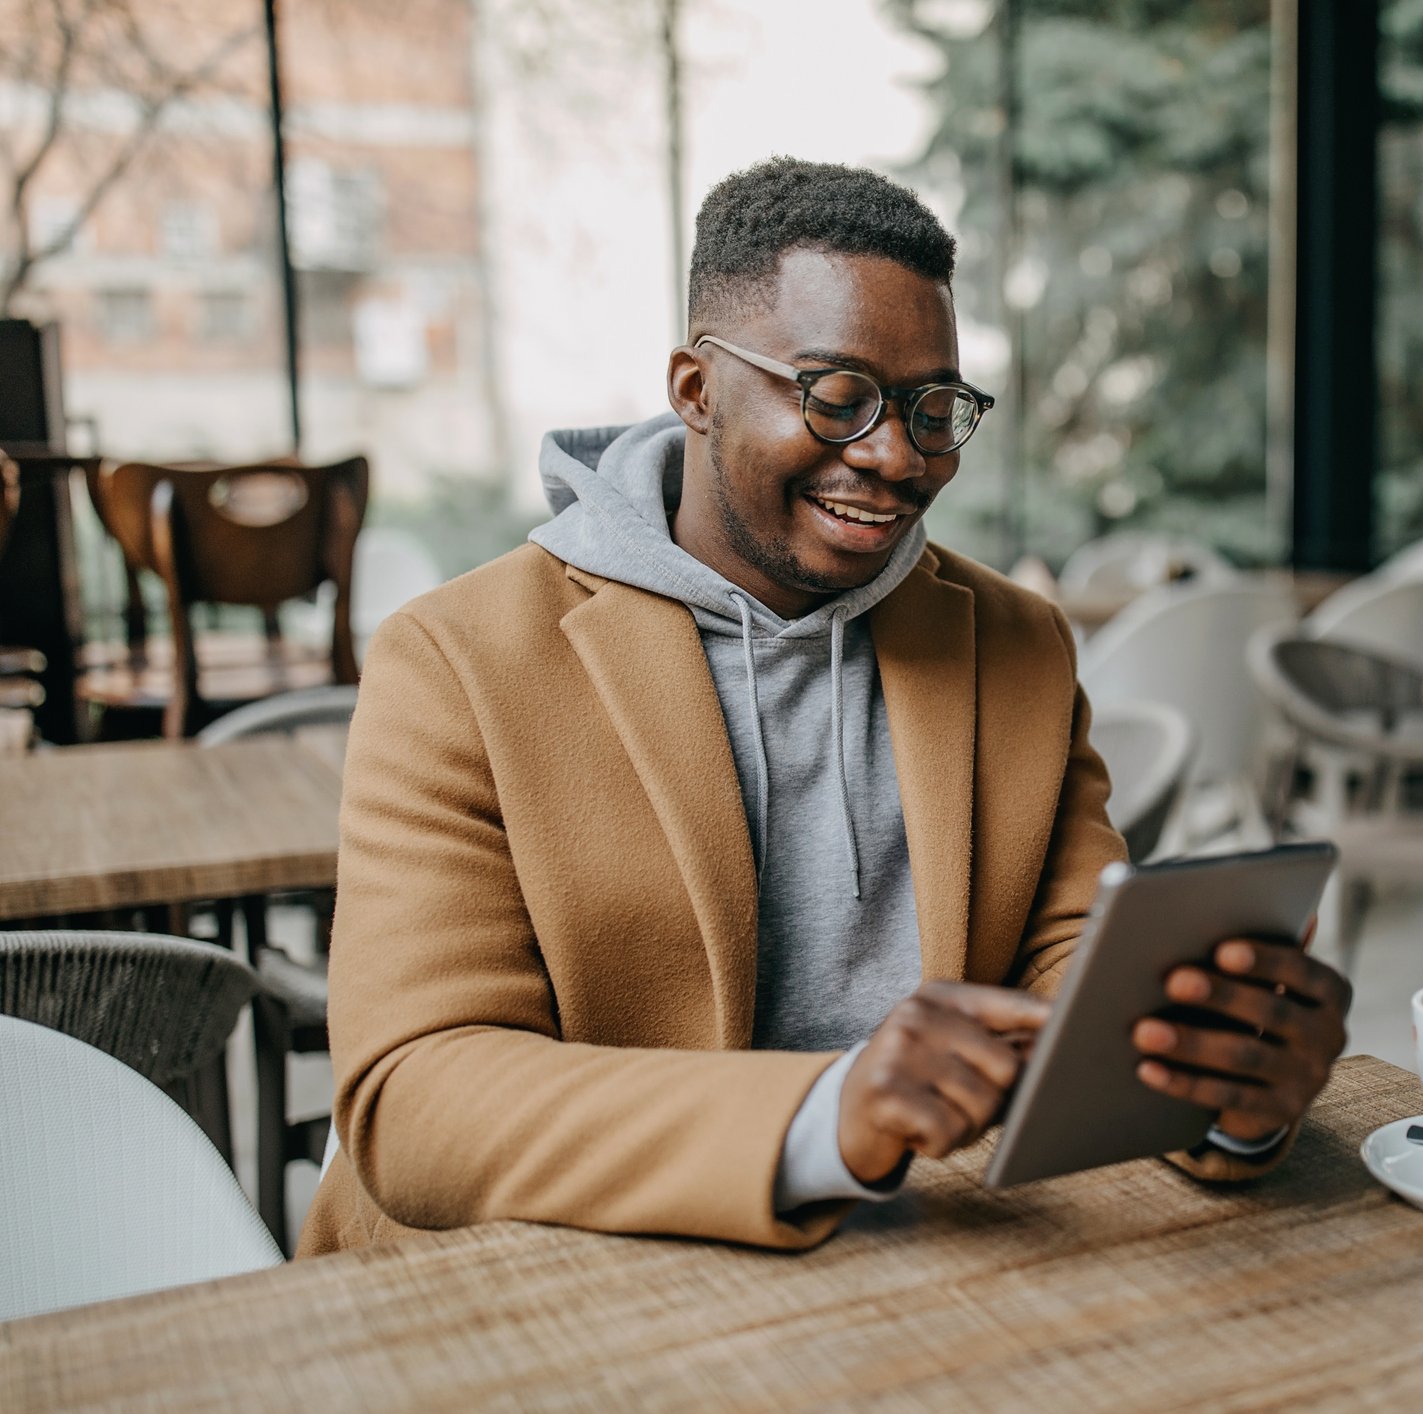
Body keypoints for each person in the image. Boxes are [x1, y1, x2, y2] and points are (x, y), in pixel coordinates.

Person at [299, 158, 1350, 1256]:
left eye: (933, 408)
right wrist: (821, 1116)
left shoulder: (1017, 644)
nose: (894, 457)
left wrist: (1222, 1084)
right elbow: (417, 1099)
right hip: (530, 1297)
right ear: (697, 389)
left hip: (904, 1272)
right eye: (836, 397)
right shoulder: (454, 660)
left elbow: (1066, 959)